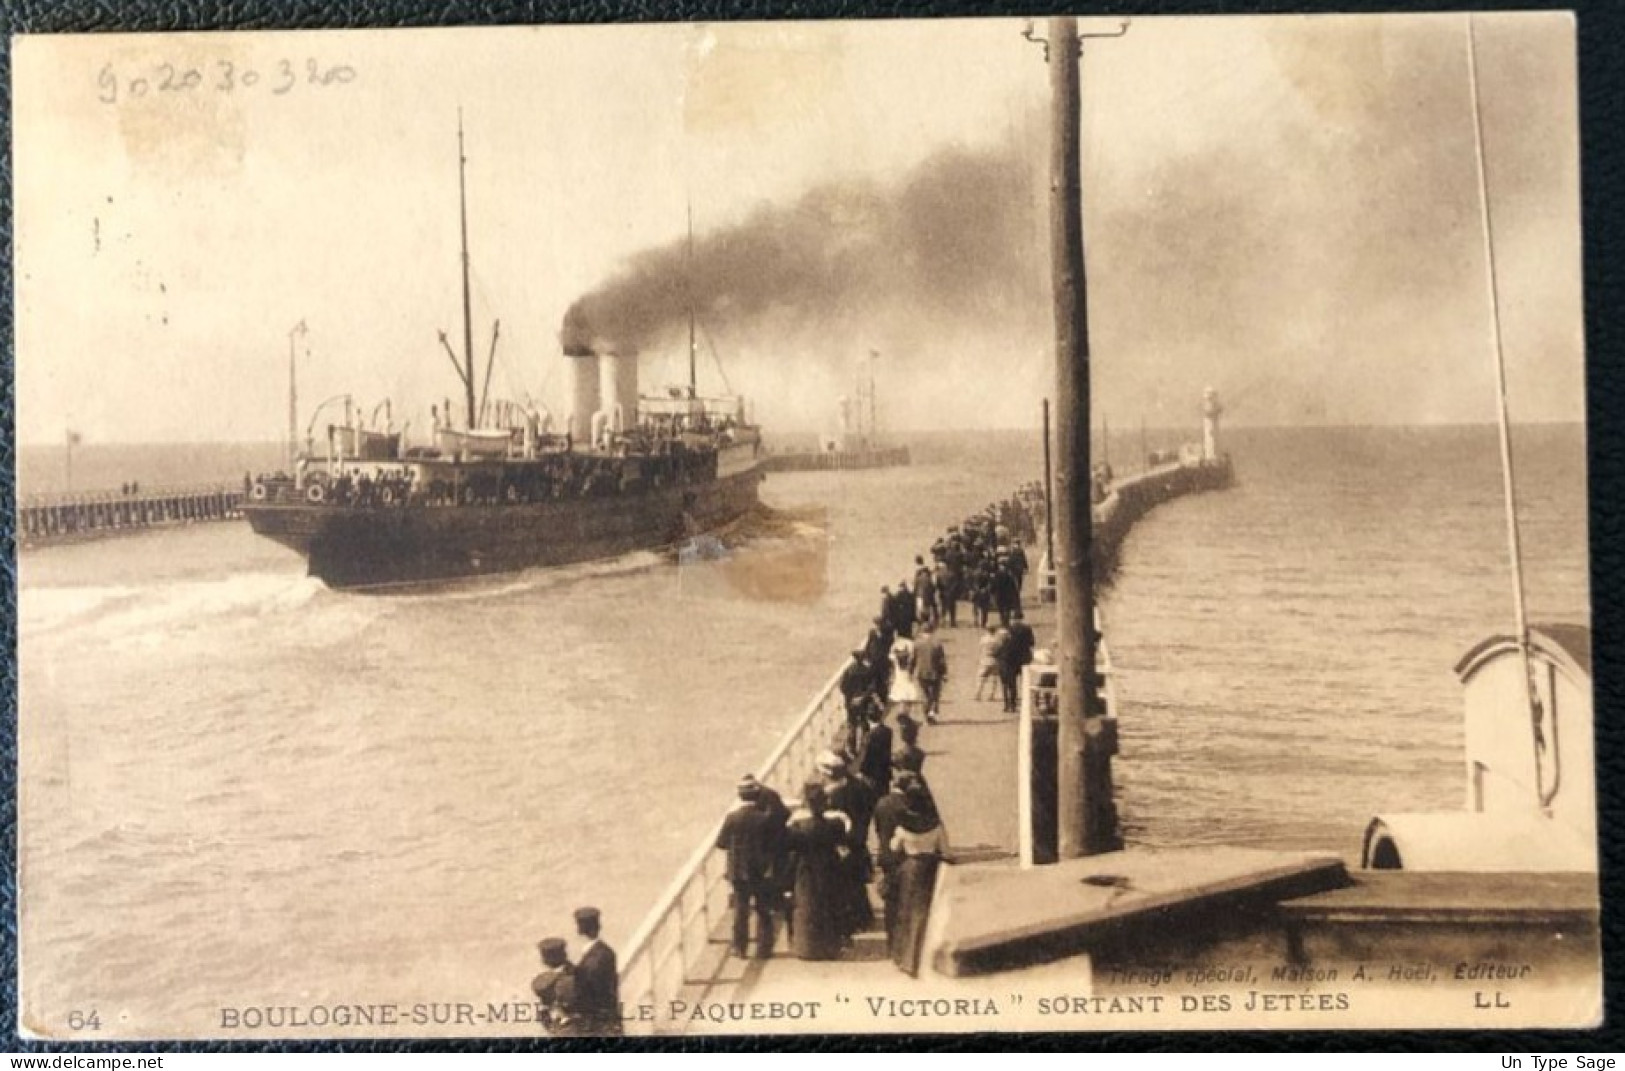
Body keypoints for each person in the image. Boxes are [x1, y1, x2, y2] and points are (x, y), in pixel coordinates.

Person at [716, 776, 783, 959]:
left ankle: (740, 948)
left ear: (740, 796)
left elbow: (721, 843)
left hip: (738, 870)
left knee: (740, 909)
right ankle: (764, 948)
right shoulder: (764, 819)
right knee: (763, 909)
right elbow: (772, 842)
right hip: (760, 870)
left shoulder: (732, 818)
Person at [890, 778, 947, 977]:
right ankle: (926, 958)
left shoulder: (903, 826)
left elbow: (894, 848)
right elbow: (946, 852)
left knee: (906, 913)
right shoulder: (936, 826)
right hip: (930, 868)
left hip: (910, 868)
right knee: (926, 913)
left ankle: (906, 959)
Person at [785, 782, 848, 961]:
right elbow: (841, 843)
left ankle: (808, 948)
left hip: (806, 869)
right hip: (829, 867)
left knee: (807, 906)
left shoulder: (798, 827)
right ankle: (830, 947)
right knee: (829, 905)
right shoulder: (835, 824)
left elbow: (789, 847)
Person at [571, 906, 621, 1035]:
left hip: (596, 1023)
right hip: (610, 1015)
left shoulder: (590, 963)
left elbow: (586, 995)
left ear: (580, 930)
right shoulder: (607, 951)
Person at [530, 937, 580, 1037]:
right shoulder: (579, 972)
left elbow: (543, 1013)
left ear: (545, 961)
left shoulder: (544, 982)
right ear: (565, 955)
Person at [1001, 611, 1037, 714]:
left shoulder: (1008, 629)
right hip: (1023, 658)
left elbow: (1003, 644)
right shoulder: (1027, 629)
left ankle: (1011, 704)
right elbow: (1032, 642)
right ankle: (1026, 702)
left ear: (1012, 618)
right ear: (1022, 618)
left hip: (1010, 659)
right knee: (1025, 681)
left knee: (1011, 683)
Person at [913, 623, 948, 724]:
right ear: (932, 631)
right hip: (935, 673)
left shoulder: (917, 643)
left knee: (924, 694)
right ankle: (931, 714)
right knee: (935, 695)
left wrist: (910, 671)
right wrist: (944, 673)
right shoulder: (937, 644)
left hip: (921, 673)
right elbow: (942, 660)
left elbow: (913, 659)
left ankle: (926, 714)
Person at [887, 633, 923, 722]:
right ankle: (905, 713)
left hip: (898, 679)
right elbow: (913, 659)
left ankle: (902, 712)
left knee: (901, 698)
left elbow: (891, 657)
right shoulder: (908, 661)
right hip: (907, 679)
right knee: (908, 698)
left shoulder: (896, 661)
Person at [975, 623, 1004, 702]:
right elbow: (1000, 649)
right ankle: (991, 695)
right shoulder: (997, 640)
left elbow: (980, 649)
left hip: (985, 659)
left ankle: (978, 694)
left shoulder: (983, 639)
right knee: (994, 679)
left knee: (981, 678)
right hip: (994, 660)